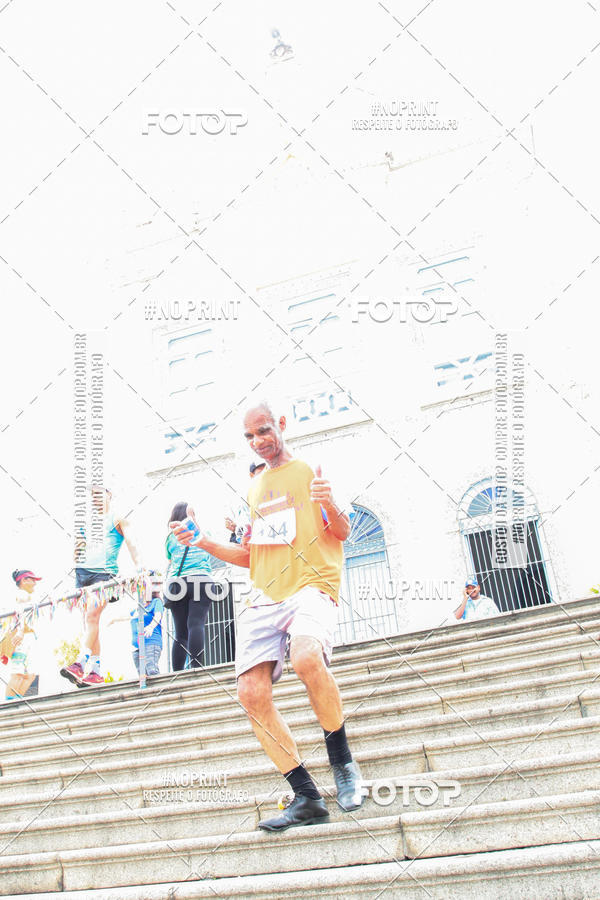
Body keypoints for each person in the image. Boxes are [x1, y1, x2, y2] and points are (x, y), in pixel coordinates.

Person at [171, 401, 363, 833]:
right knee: (250, 693)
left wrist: (330, 502)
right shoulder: (254, 490)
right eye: (249, 436)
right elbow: (251, 556)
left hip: (311, 585)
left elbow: (344, 531)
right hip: (264, 596)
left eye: (263, 431)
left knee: (306, 657)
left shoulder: (312, 470)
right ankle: (307, 797)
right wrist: (203, 541)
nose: (258, 441)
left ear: (282, 425)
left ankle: (344, 765)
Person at [61, 485, 142, 687]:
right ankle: (95, 671)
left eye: (99, 493)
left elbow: (132, 543)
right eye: (92, 495)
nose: (95, 498)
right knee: (89, 622)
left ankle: (80, 662)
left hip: (103, 574)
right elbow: (78, 548)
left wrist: (139, 566)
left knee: (92, 616)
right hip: (83, 574)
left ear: (109, 495)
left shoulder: (117, 518)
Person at [164, 502, 219, 671]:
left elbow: (170, 560)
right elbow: (212, 550)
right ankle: (196, 667)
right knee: (196, 624)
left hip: (177, 583)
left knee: (180, 633)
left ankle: (177, 672)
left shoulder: (170, 538)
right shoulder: (204, 533)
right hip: (201, 579)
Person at [109, 585, 164, 677]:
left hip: (151, 642)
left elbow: (158, 615)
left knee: (152, 670)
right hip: (136, 646)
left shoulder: (155, 602)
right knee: (142, 675)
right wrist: (113, 620)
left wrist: (151, 627)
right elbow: (126, 616)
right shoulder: (138, 609)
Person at [4, 570, 41, 700]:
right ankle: (9, 705)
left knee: (30, 674)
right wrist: (20, 631)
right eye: (33, 580)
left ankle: (17, 701)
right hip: (20, 636)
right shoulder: (22, 594)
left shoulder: (26, 596)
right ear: (24, 581)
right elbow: (19, 612)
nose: (35, 583)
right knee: (18, 672)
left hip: (28, 636)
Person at [225, 461, 266, 543]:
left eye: (266, 472)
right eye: (260, 473)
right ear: (252, 475)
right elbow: (241, 528)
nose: (264, 476)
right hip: (252, 540)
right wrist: (235, 529)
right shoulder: (245, 497)